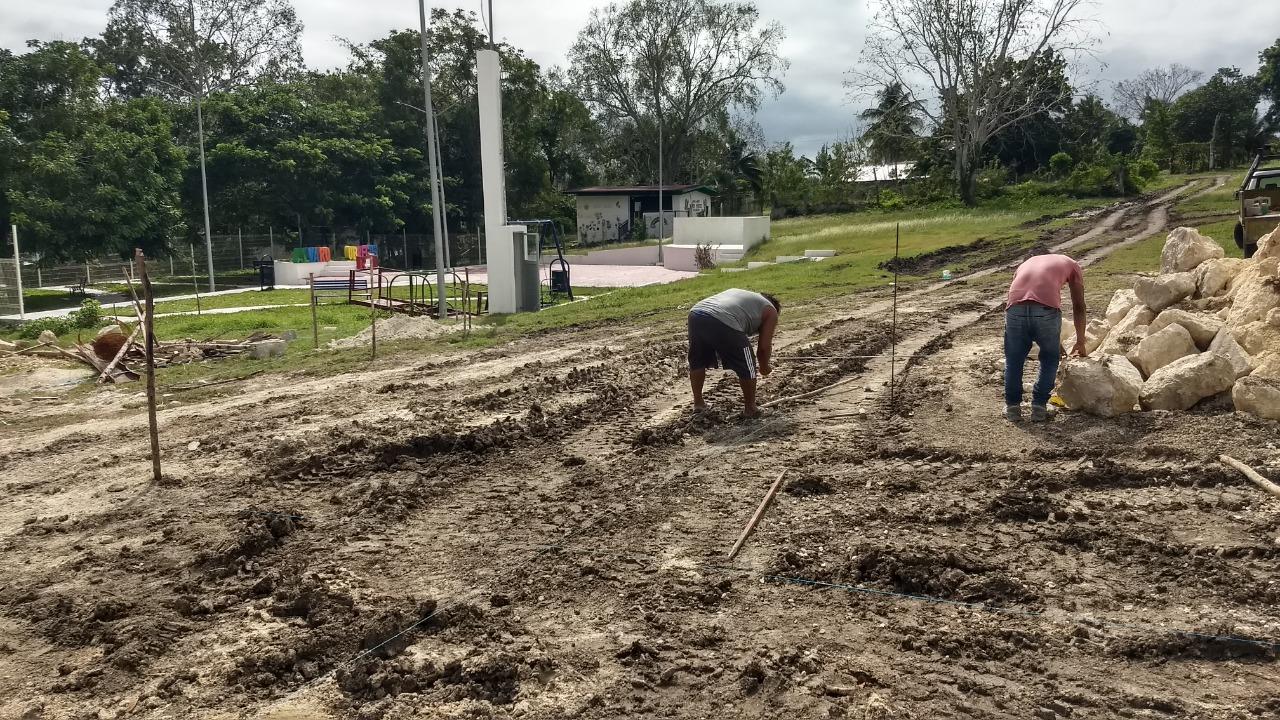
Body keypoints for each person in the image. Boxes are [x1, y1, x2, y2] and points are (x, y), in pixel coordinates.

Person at [1004, 253, 1087, 422]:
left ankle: (1013, 408)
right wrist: (1080, 341)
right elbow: (1079, 306)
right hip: (1046, 311)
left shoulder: (1025, 263)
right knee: (1049, 359)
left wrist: (1056, 341)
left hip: (1014, 309)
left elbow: (1027, 297)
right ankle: (1039, 407)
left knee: (1014, 359)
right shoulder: (1072, 264)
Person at [687, 288, 781, 418]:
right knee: (747, 363)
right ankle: (751, 409)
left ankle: (698, 404)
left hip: (696, 313)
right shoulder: (771, 311)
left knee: (698, 359)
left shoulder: (744, 296)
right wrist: (764, 367)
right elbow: (764, 347)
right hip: (722, 317)